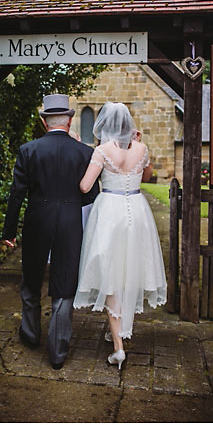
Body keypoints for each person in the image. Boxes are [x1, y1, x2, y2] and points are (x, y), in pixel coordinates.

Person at [2, 93, 98, 370]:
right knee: (64, 283)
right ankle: (57, 352)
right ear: (69, 121)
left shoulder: (28, 150)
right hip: (70, 221)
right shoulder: (85, 152)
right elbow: (91, 195)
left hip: (37, 219)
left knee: (31, 276)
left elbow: (17, 194)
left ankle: (31, 334)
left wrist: (9, 231)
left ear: (45, 122)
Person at [74, 102, 166, 369]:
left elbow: (85, 185)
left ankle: (118, 348)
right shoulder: (142, 149)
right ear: (129, 126)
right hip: (137, 210)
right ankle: (115, 330)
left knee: (111, 272)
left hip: (110, 212)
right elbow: (147, 175)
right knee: (128, 268)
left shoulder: (102, 151)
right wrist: (138, 147)